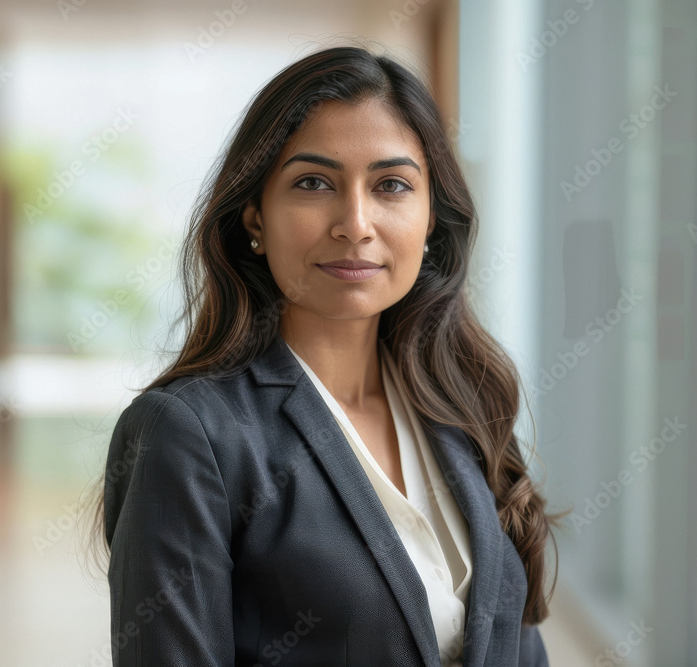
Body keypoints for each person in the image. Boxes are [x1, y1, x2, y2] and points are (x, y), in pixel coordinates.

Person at [84, 44, 562, 666]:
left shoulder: (463, 401)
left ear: (430, 220)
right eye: (314, 183)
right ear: (255, 215)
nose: (355, 223)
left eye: (391, 185)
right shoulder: (188, 434)